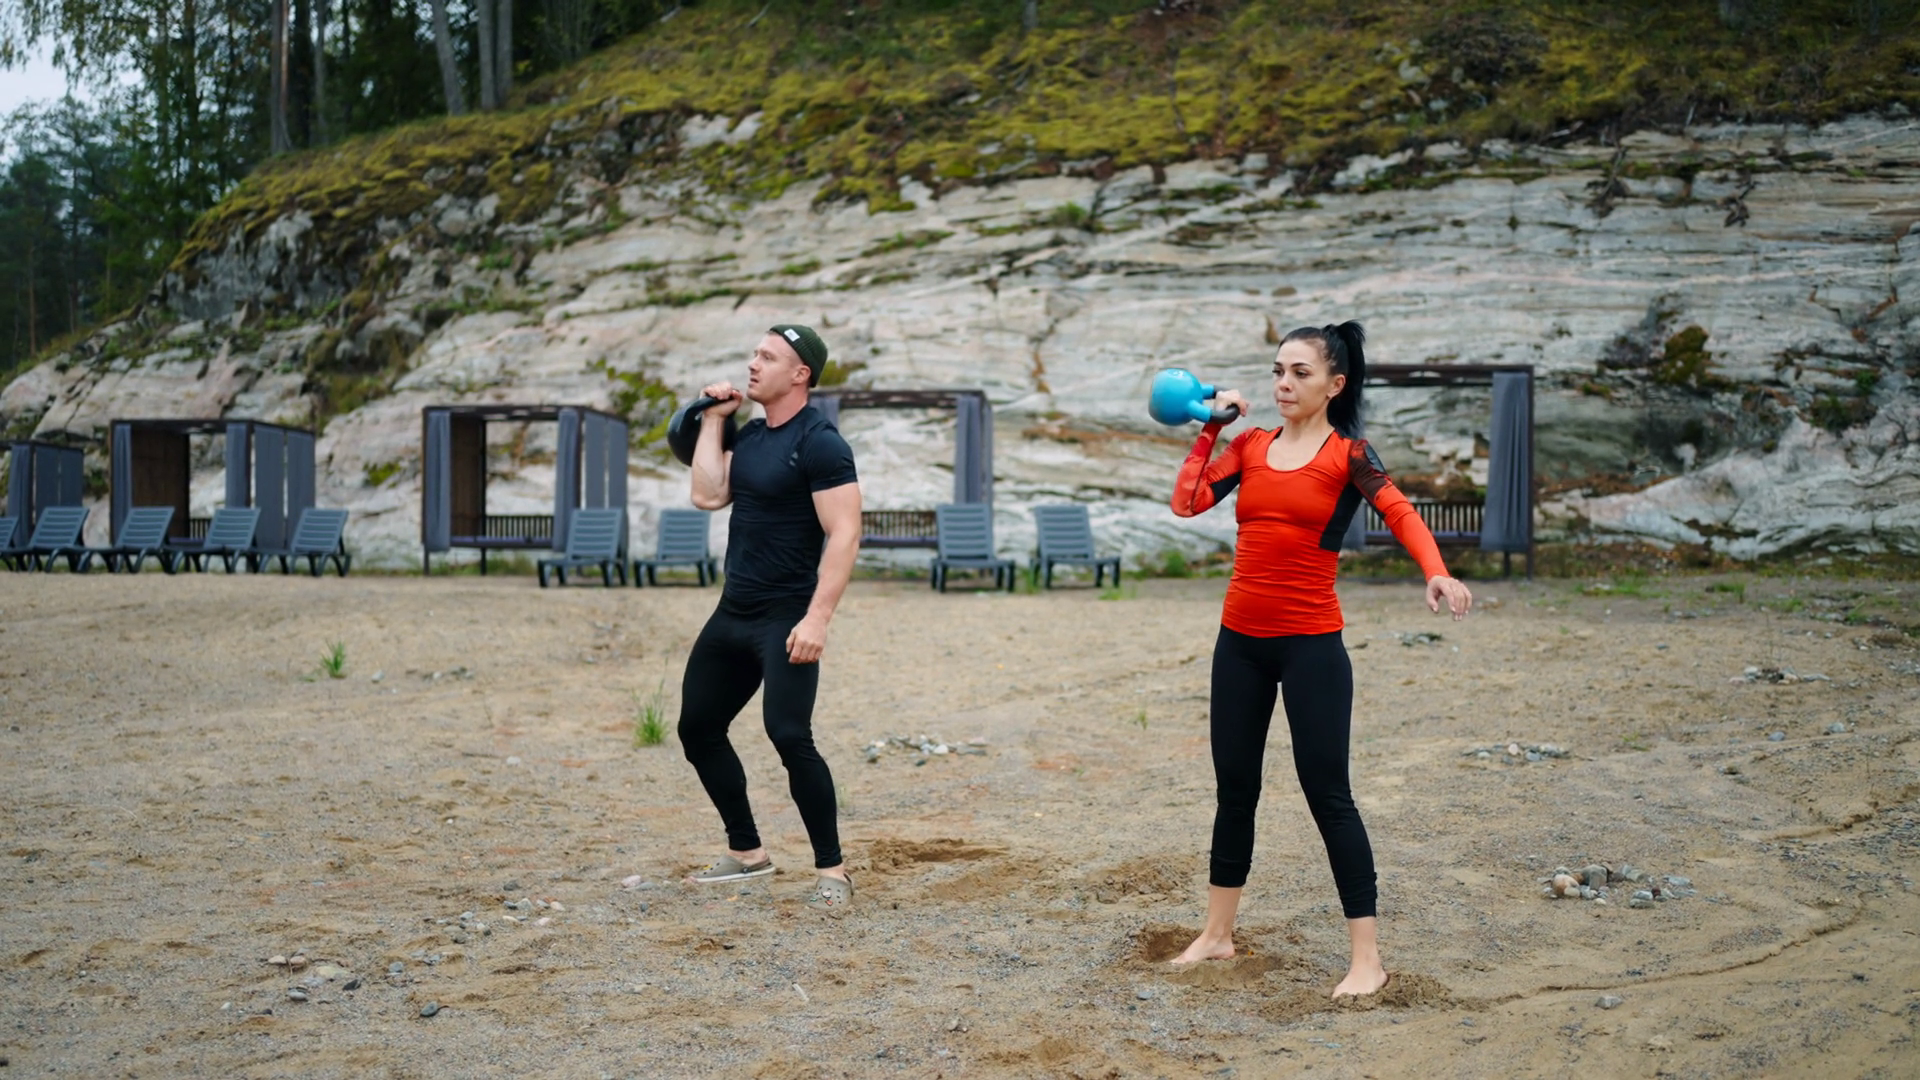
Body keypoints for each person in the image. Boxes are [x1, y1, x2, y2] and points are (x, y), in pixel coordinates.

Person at [1166, 321, 1473, 995]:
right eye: (1278, 371)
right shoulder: (1250, 446)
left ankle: (1367, 960)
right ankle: (1217, 935)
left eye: (1300, 373)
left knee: (1329, 795)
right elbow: (1186, 502)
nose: (1284, 383)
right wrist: (1210, 426)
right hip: (1238, 644)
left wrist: (1436, 570)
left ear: (1335, 385)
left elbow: (1400, 512)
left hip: (1311, 647)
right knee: (1234, 791)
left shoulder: (1348, 455)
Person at [679, 323, 863, 912]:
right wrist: (714, 419)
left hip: (786, 617)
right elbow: (708, 496)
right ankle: (748, 853)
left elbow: (845, 532)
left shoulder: (821, 443)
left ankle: (833, 872)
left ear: (800, 374)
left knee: (788, 734)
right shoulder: (754, 436)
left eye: (768, 357)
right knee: (697, 728)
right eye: (754, 354)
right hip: (734, 611)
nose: (753, 364)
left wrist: (817, 619)